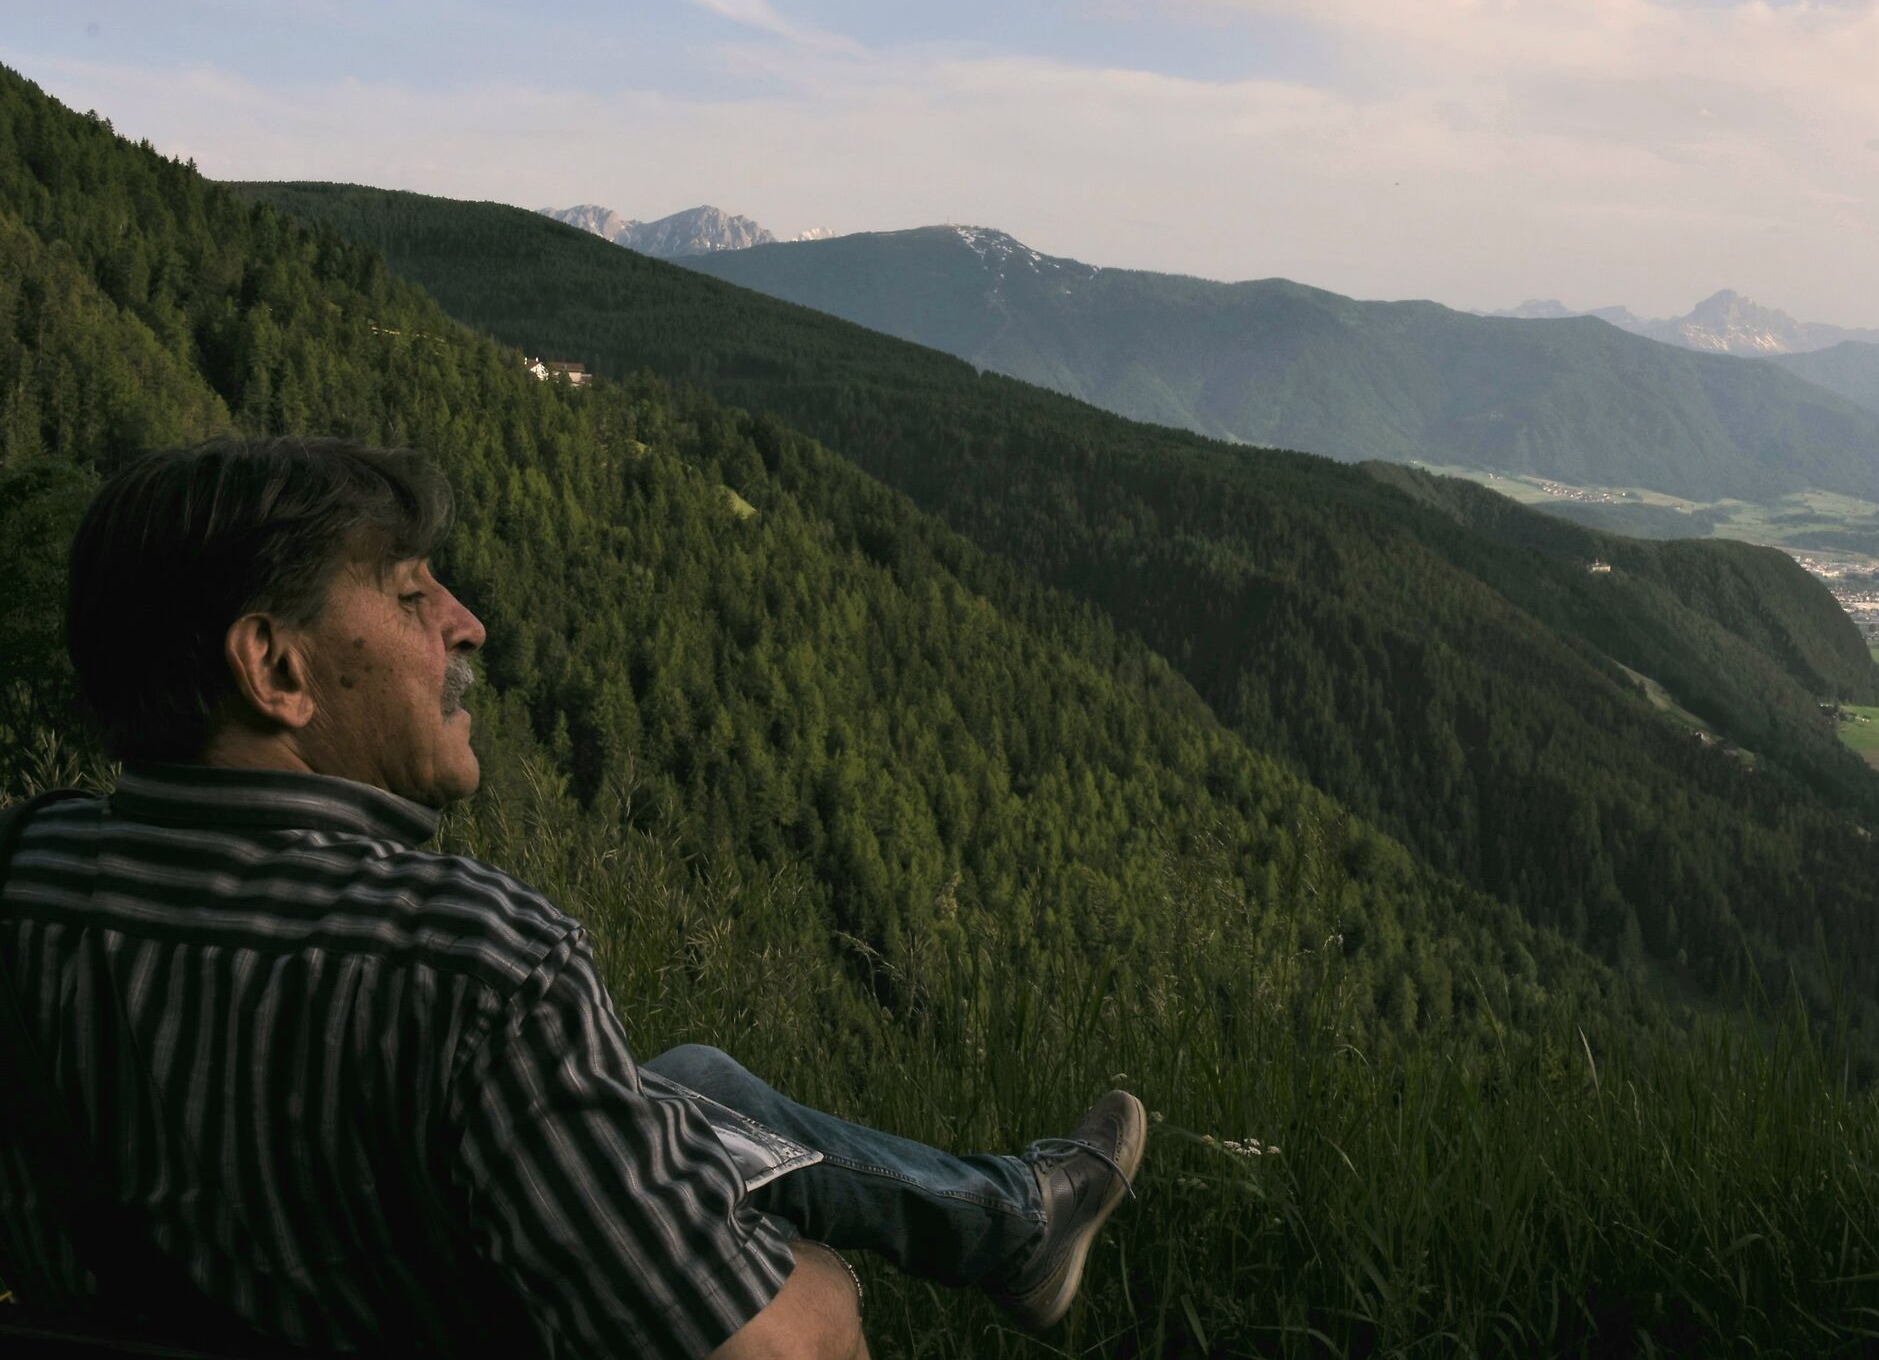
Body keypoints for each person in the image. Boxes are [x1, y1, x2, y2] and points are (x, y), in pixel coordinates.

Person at [0, 437, 1145, 1359]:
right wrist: (810, 1274)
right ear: (278, 670)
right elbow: (763, 1350)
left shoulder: (27, 873)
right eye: (411, 594)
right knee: (787, 1258)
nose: (465, 622)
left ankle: (1014, 1220)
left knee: (685, 1084)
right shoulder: (472, 965)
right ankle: (1008, 1223)